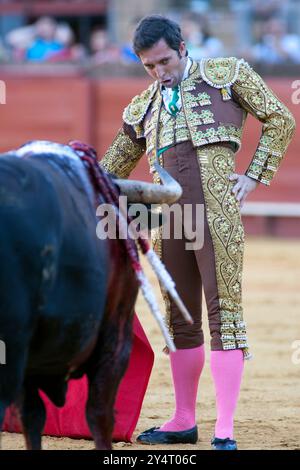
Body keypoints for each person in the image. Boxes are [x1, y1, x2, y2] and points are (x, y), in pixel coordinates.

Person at [100, 15, 295, 450]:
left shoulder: (227, 75)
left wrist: (253, 175)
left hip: (218, 214)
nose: (159, 72)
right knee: (180, 321)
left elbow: (280, 119)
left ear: (182, 47)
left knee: (224, 315)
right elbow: (111, 167)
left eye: (165, 61)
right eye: (149, 66)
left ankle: (223, 429)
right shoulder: (143, 106)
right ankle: (183, 419)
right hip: (172, 224)